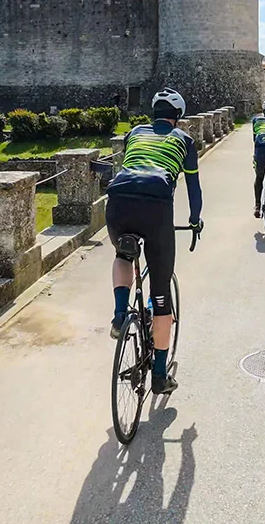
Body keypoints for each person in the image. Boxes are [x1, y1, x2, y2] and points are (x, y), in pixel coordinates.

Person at [105, 88, 202, 395]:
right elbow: (194, 188)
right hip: (156, 208)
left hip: (118, 201)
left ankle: (120, 315)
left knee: (123, 255)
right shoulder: (184, 141)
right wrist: (195, 221)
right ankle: (159, 376)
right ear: (178, 117)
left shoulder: (134, 133)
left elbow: (130, 165)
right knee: (161, 299)